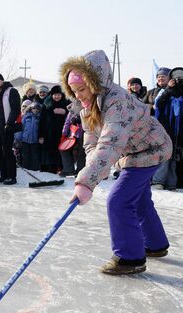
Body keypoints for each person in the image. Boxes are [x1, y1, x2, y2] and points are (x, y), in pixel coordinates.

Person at [62, 49, 171, 275]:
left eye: (82, 89)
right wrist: (92, 172)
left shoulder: (117, 102)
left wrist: (86, 183)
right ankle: (156, 244)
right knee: (138, 199)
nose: (79, 95)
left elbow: (110, 145)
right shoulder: (87, 109)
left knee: (119, 201)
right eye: (74, 91)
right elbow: (92, 145)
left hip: (151, 149)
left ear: (95, 82)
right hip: (132, 153)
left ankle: (130, 258)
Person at [151, 67, 183, 191]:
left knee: (174, 157)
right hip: (165, 128)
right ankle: (158, 181)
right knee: (164, 155)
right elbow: (158, 105)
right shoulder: (164, 92)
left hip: (180, 131)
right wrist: (168, 88)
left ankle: (171, 183)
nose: (178, 81)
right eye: (175, 78)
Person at [0, 73, 21, 184]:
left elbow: (15, 109)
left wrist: (9, 123)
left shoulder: (11, 91)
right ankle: (3, 175)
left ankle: (12, 176)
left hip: (7, 127)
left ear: (2, 80)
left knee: (7, 152)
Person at [39, 85, 69, 174]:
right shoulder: (47, 104)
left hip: (62, 133)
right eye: (55, 94)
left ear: (62, 94)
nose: (56, 96)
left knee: (61, 151)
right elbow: (42, 120)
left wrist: (65, 112)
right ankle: (51, 168)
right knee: (50, 151)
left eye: (58, 94)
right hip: (49, 133)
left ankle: (62, 168)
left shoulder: (66, 104)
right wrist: (40, 135)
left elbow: (72, 117)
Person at [14, 101, 42, 171]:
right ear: (31, 109)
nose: (36, 110)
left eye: (37, 109)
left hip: (35, 141)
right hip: (25, 140)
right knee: (25, 156)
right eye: (34, 108)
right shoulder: (26, 117)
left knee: (34, 156)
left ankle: (35, 169)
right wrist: (18, 138)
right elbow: (20, 127)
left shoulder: (40, 118)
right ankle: (25, 169)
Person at [59, 109, 86, 176]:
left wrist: (82, 121)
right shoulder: (73, 109)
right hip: (73, 134)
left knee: (81, 153)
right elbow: (67, 122)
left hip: (85, 134)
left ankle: (80, 170)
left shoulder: (89, 106)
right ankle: (68, 169)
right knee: (64, 149)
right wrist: (64, 134)